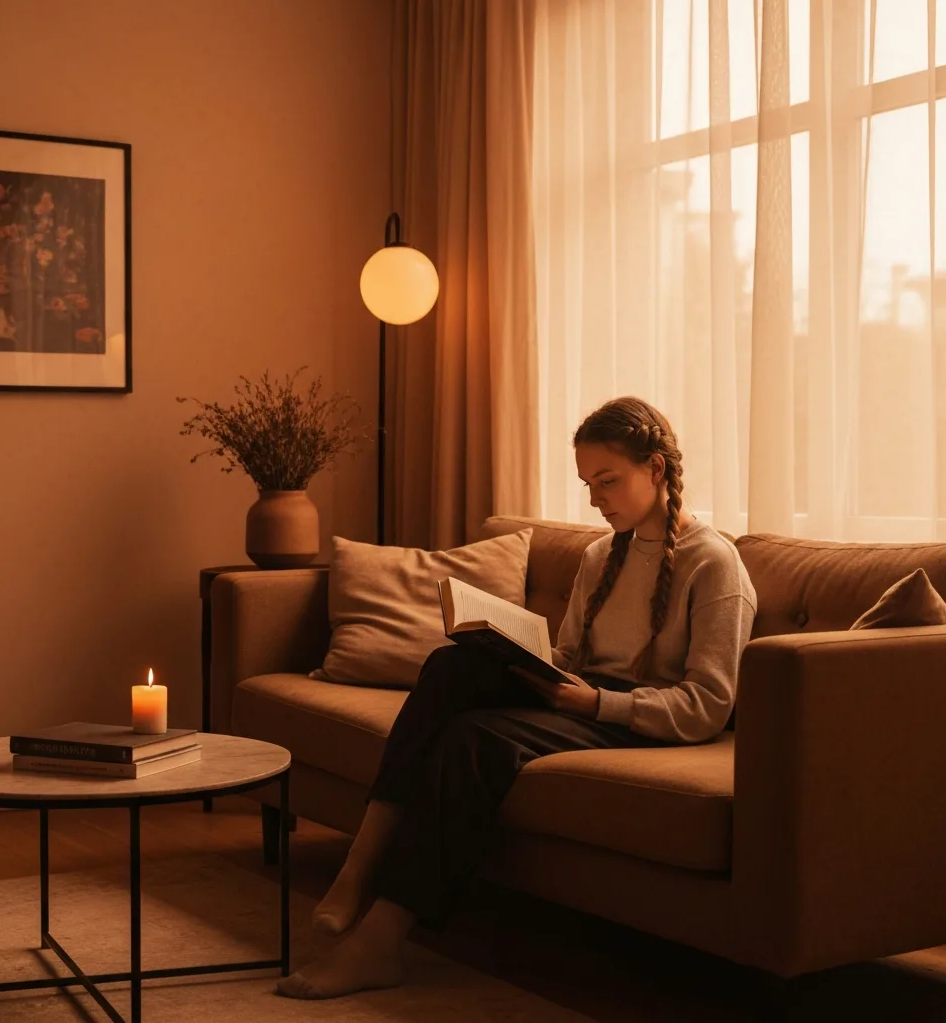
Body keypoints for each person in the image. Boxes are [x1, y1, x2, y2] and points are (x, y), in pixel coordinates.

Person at [275, 395, 758, 1000]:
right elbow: (572, 661)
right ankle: (359, 865)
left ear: (656, 469)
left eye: (608, 481)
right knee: (452, 665)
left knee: (474, 741)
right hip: (586, 696)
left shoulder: (715, 565)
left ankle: (380, 943)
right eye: (588, 484)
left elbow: (707, 705)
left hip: (642, 716)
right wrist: (517, 654)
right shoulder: (600, 555)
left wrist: (596, 705)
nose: (596, 499)